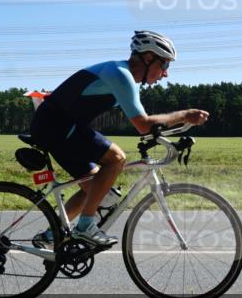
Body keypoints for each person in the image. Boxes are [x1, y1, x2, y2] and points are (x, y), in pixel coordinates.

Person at [28, 31, 210, 247]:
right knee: (116, 159)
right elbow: (143, 124)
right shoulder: (120, 74)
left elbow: (146, 125)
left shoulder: (123, 76)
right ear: (148, 57)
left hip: (59, 126)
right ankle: (85, 227)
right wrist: (184, 115)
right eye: (165, 65)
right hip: (57, 126)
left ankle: (51, 236)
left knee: (97, 188)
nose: (166, 74)